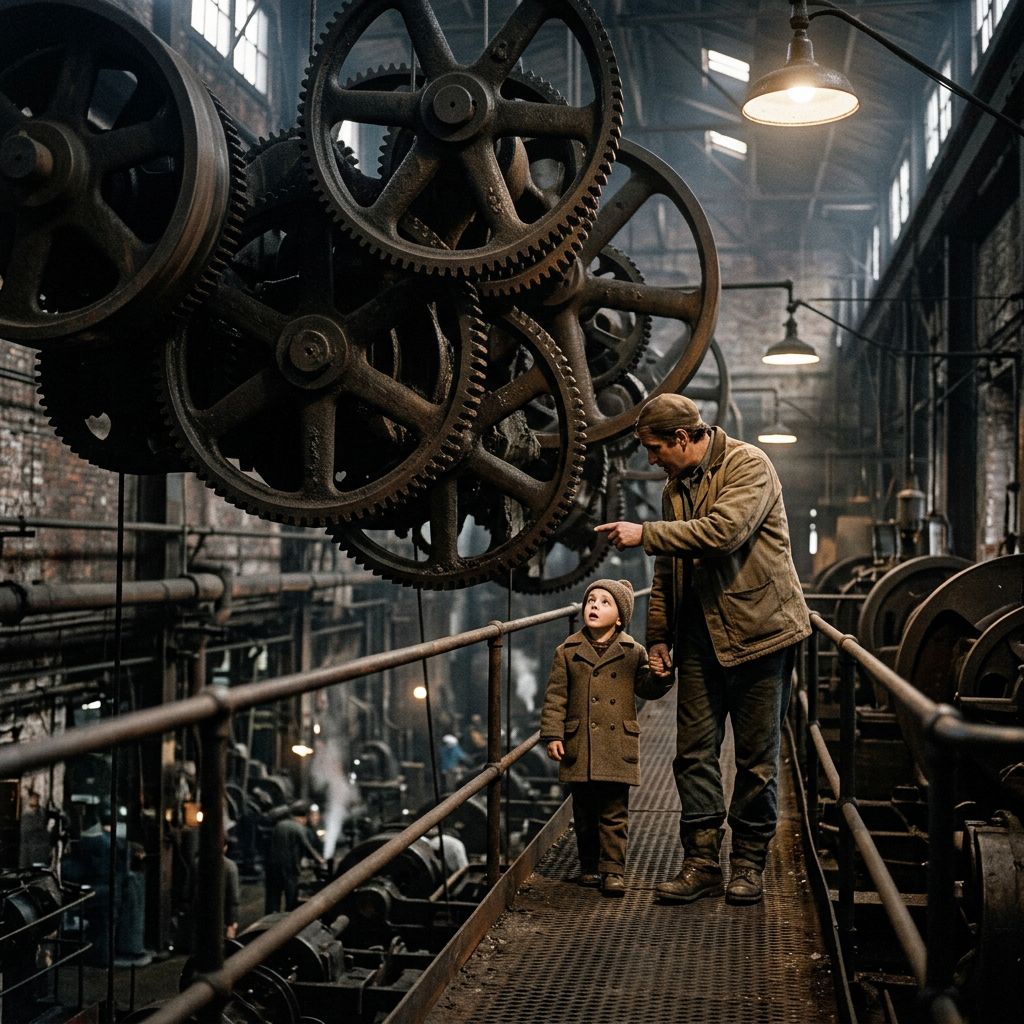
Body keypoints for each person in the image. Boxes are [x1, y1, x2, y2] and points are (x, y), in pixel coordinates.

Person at [596, 394, 810, 906]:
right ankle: (701, 862)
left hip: (762, 632)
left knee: (757, 759)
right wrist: (660, 637)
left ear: (684, 439)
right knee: (693, 754)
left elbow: (724, 534)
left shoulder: (749, 465)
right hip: (700, 638)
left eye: (654, 448)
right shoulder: (676, 486)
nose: (651, 459)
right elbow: (669, 569)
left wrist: (644, 532)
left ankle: (748, 864)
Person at [540, 579, 671, 896]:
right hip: (580, 744)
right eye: (590, 601)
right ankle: (588, 867)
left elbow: (646, 689)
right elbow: (556, 697)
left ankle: (613, 871)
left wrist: (661, 676)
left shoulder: (633, 652)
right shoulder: (567, 652)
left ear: (621, 618)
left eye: (604, 602)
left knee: (614, 813)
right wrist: (554, 734)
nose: (594, 606)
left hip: (616, 745)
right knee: (583, 813)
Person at [265, 800, 326, 913]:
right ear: (304, 817)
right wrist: (320, 860)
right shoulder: (298, 827)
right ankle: (290, 918)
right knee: (291, 895)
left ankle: (269, 919)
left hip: (271, 865)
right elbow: (307, 846)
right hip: (288, 867)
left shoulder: (279, 824)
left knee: (273, 895)